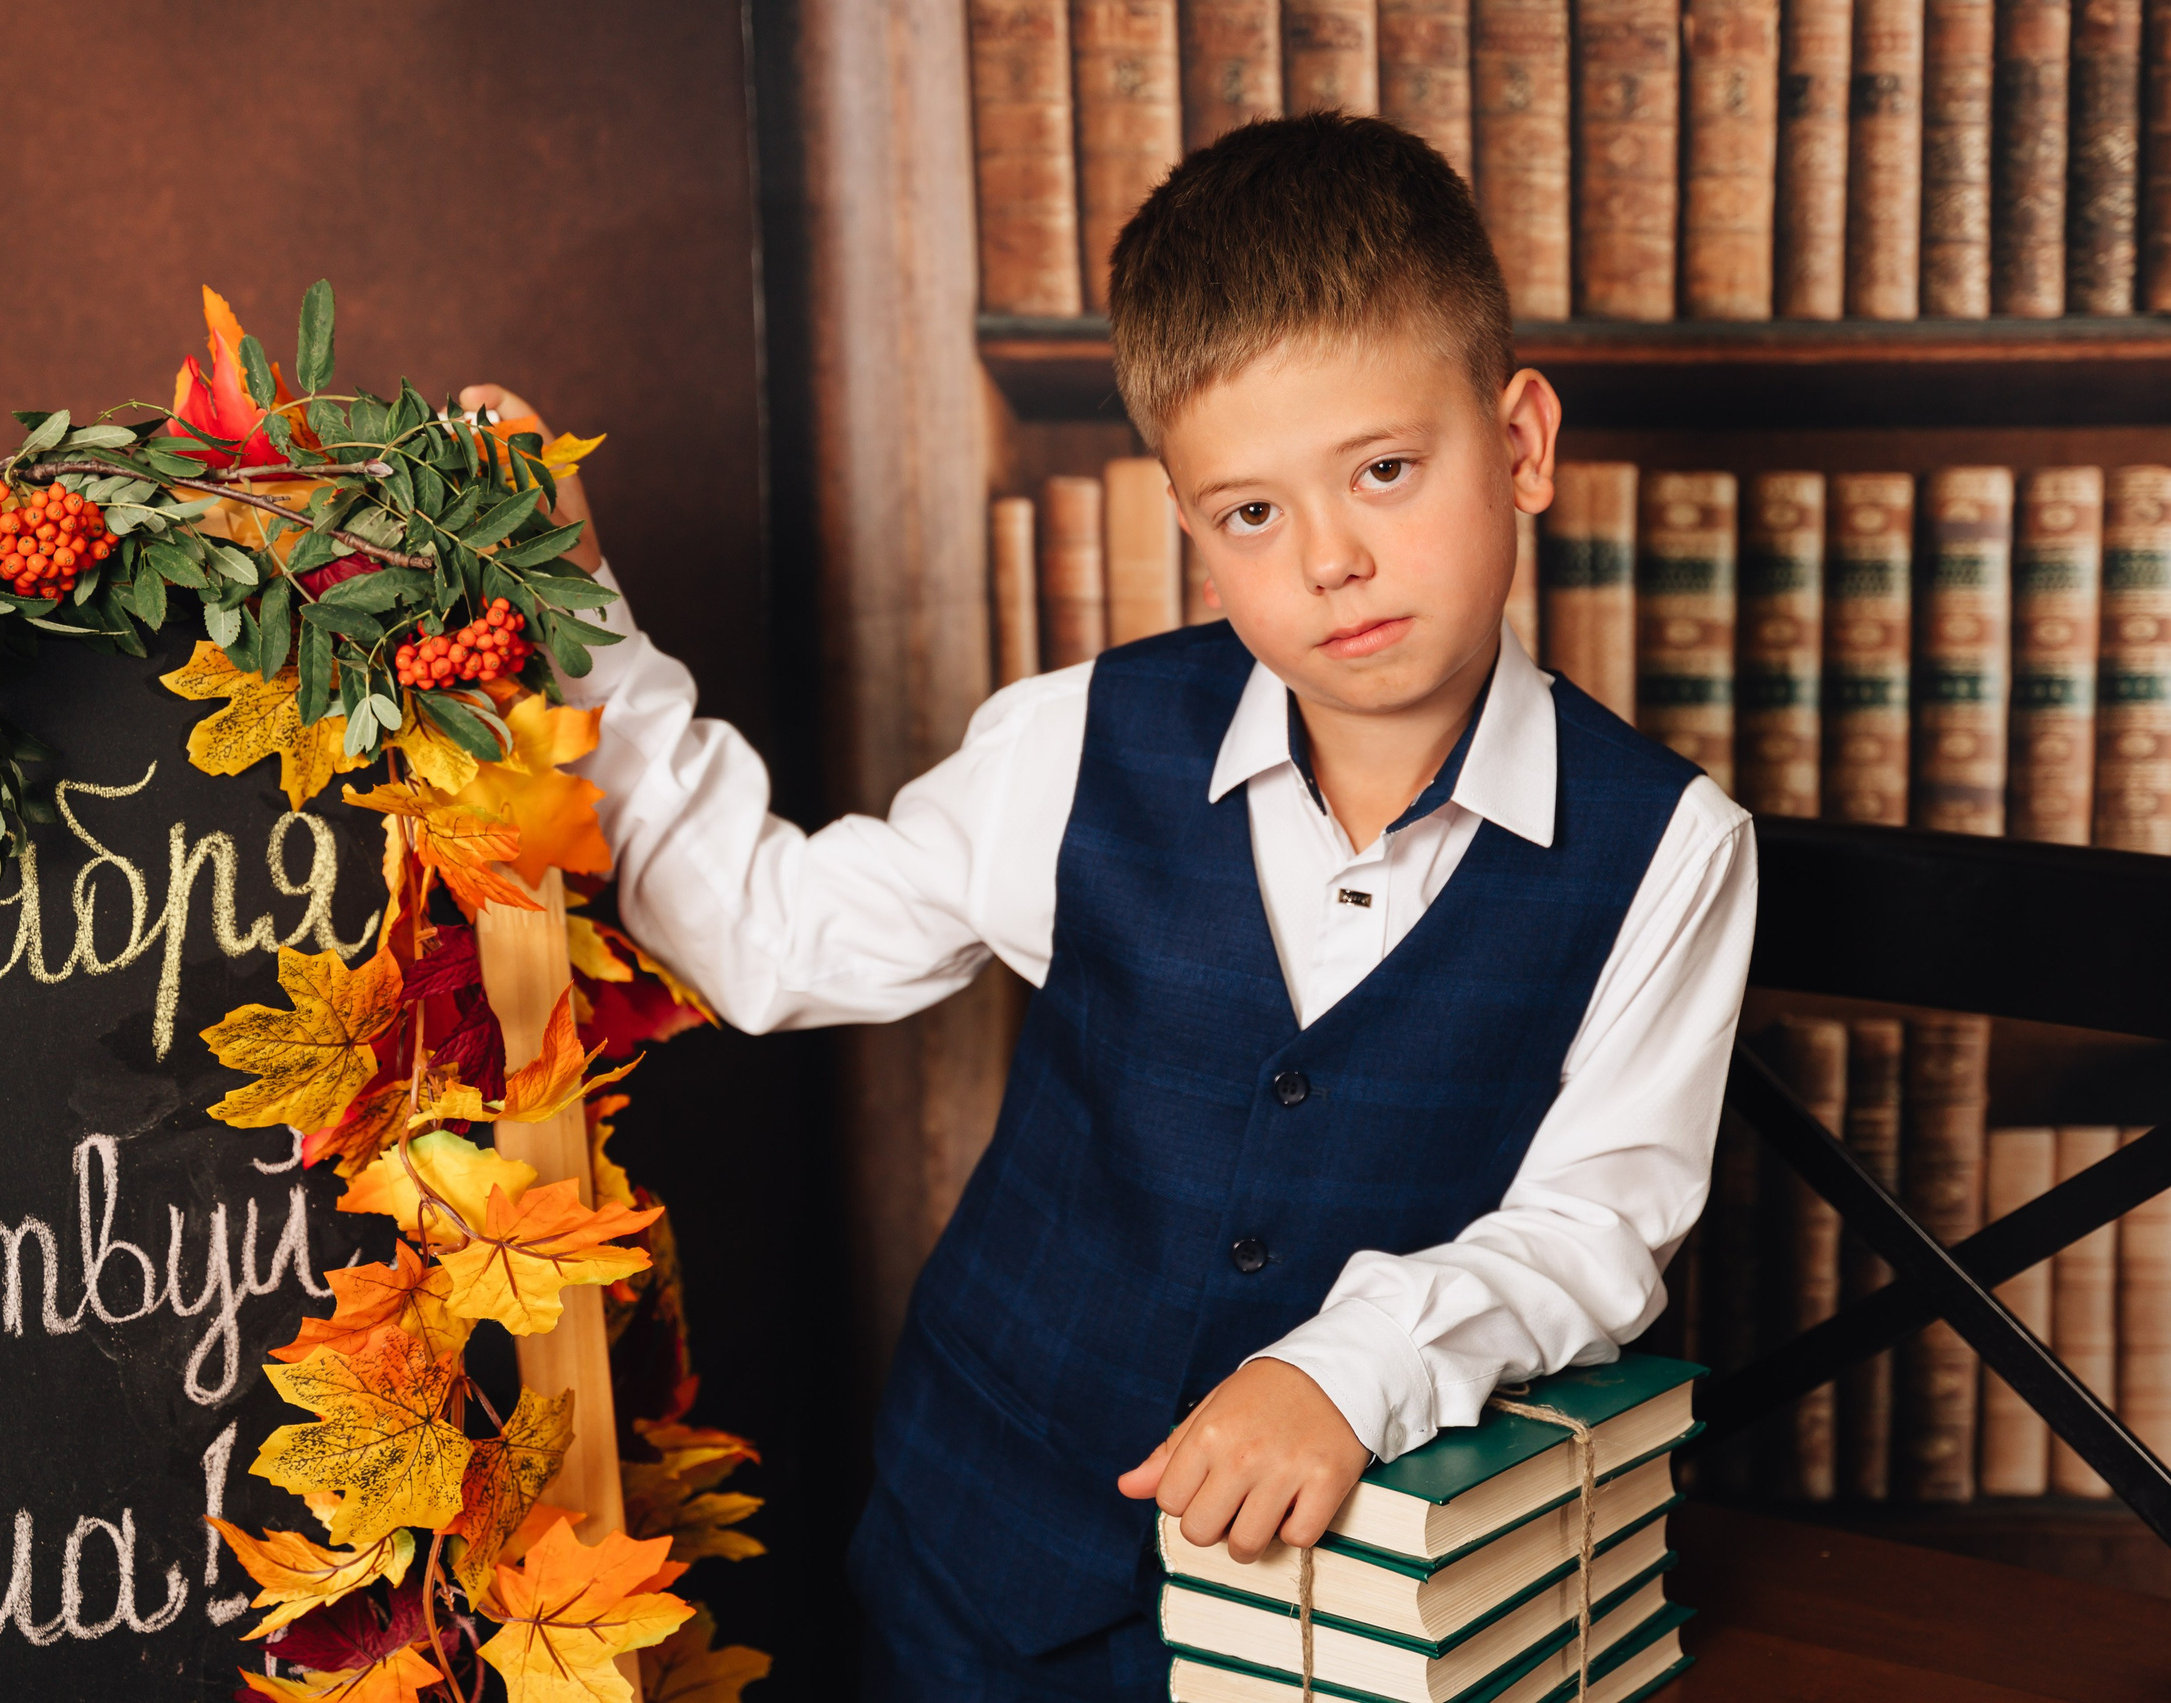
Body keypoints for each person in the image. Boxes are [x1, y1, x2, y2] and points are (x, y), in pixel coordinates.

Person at [465, 109, 1754, 1703]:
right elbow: (769, 937)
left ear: (1522, 444)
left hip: (1351, 1632)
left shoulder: (1672, 848)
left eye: (1387, 470)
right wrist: (574, 626)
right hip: (975, 1561)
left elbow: (1594, 1229)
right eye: (1253, 514)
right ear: (1192, 531)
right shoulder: (1078, 744)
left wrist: (1347, 1373)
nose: (1335, 560)